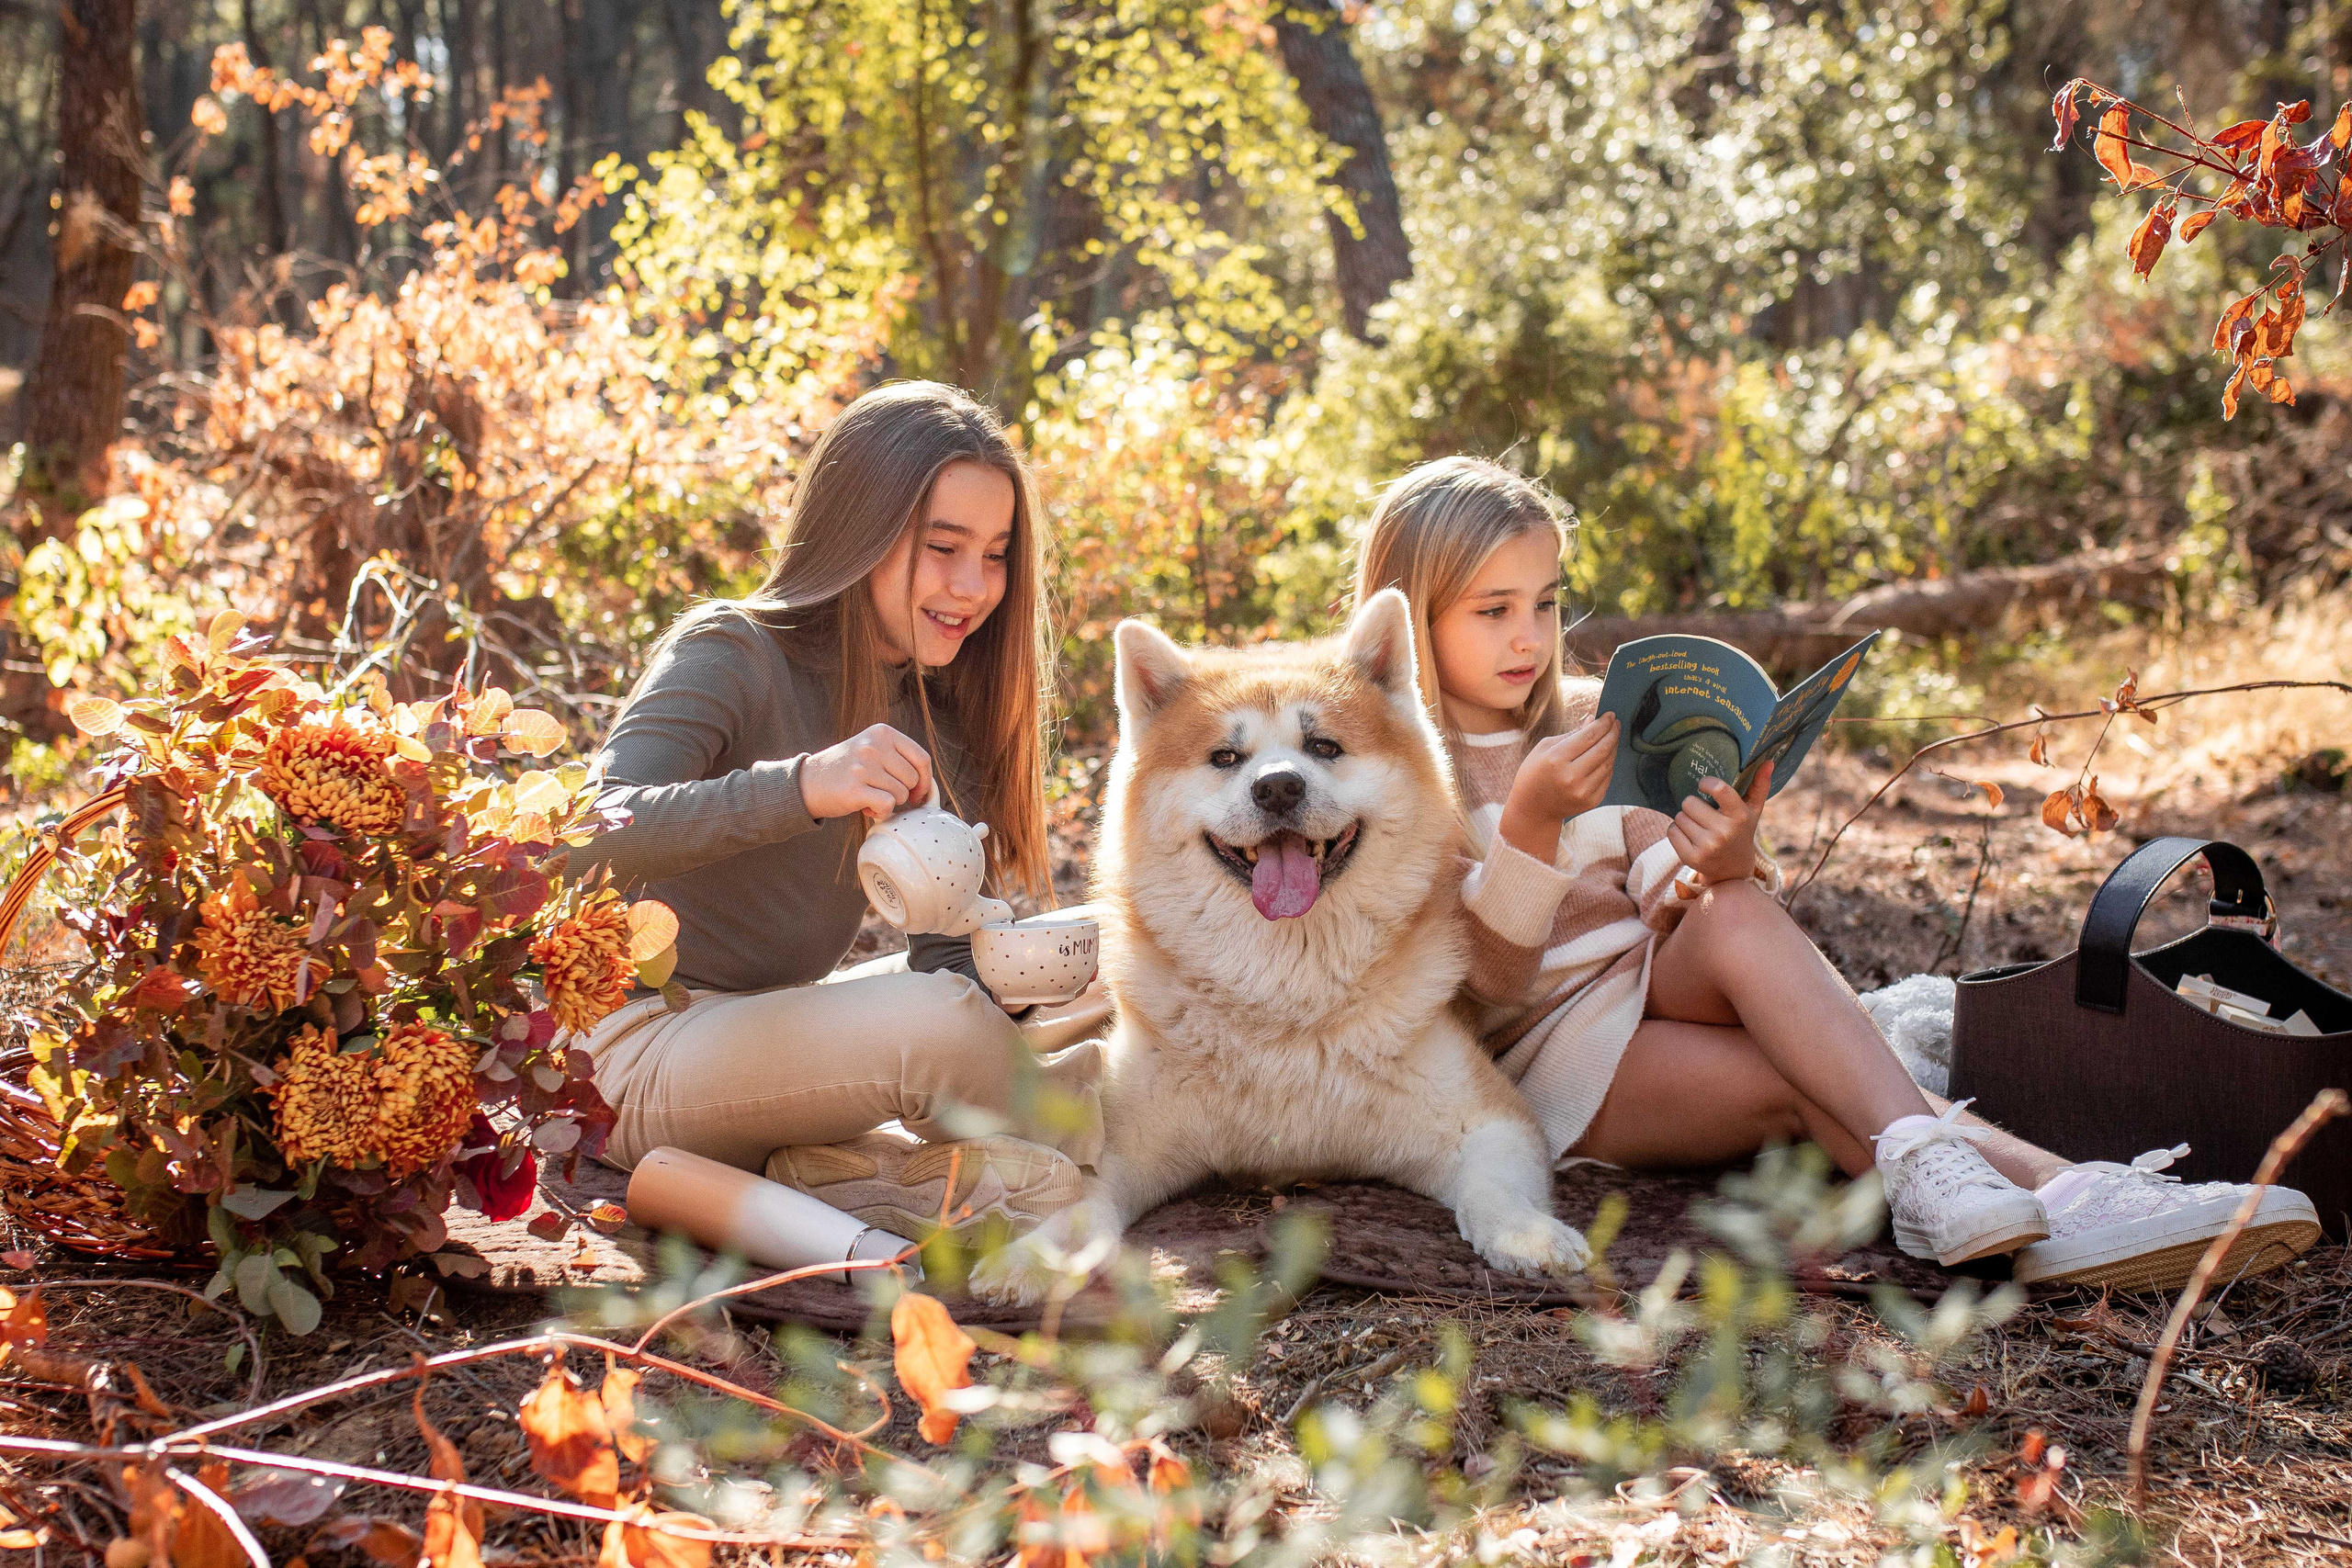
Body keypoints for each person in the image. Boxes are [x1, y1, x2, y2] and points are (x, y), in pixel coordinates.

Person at [1351, 455, 2318, 1290]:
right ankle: (2069, 1194)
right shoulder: (1394, 767)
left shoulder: (1597, 713)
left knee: (1733, 912)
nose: (1530, 635)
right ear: (1412, 616)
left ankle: (2012, 1196)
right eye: (1493, 611)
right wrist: (1526, 824)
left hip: (1656, 980)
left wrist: (1716, 861)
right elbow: (1486, 988)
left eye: (1546, 602)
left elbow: (1659, 885)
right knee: (1811, 1077)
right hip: (1548, 1053)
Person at [572, 381, 1102, 1247]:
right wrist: (802, 787)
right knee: (936, 1030)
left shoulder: (936, 712)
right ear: (860, 531)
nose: (973, 587)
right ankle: (1127, 1139)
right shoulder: (732, 650)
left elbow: (940, 966)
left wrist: (1000, 966)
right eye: (944, 547)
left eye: (997, 554)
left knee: (1100, 954)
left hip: (775, 1027)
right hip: (632, 1045)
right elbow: (581, 833)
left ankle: (869, 1166)